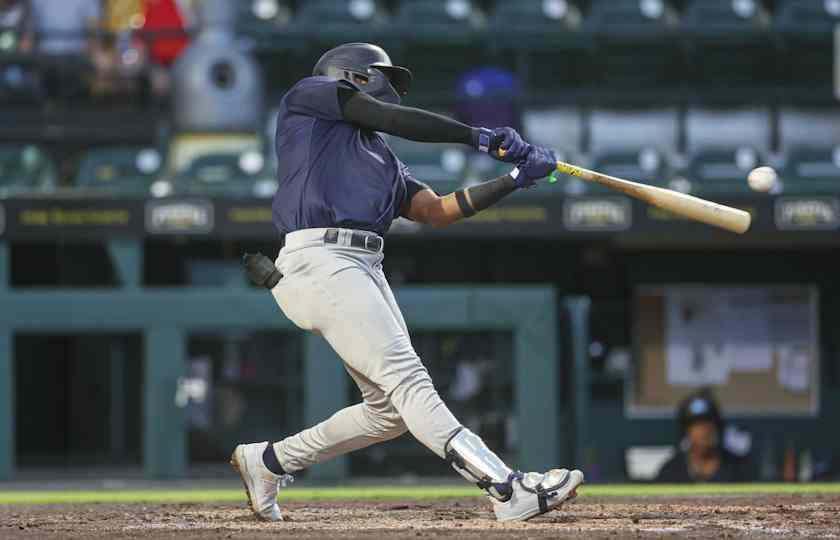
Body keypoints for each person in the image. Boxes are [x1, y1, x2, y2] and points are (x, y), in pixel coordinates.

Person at [231, 43, 583, 523]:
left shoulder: (382, 160)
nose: (393, 90)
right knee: (409, 380)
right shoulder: (310, 96)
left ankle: (268, 462)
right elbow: (392, 118)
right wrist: (480, 138)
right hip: (320, 256)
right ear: (353, 75)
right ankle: (506, 489)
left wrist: (516, 179)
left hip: (360, 265)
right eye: (385, 78)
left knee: (386, 413)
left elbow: (434, 211)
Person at [656, 389, 750, 483]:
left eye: (709, 422)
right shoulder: (671, 472)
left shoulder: (738, 468)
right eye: (696, 424)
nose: (704, 430)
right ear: (686, 431)